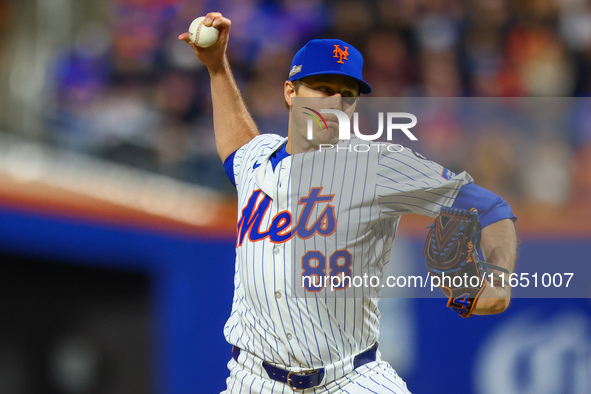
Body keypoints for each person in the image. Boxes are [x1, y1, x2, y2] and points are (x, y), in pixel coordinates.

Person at [179, 12, 517, 393]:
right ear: (290, 93)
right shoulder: (256, 158)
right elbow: (236, 144)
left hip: (349, 379)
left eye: (348, 94)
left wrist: (498, 277)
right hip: (254, 380)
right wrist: (217, 67)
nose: (335, 102)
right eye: (323, 88)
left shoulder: (379, 166)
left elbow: (490, 208)